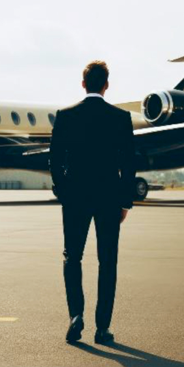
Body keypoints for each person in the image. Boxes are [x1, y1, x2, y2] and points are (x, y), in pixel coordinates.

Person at [49, 60, 136, 344]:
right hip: (109, 199)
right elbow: (129, 165)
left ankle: (76, 316)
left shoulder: (65, 116)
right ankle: (103, 328)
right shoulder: (121, 118)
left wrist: (64, 193)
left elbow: (54, 161)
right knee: (107, 261)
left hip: (75, 199)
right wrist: (125, 202)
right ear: (106, 85)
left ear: (83, 83)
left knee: (72, 257)